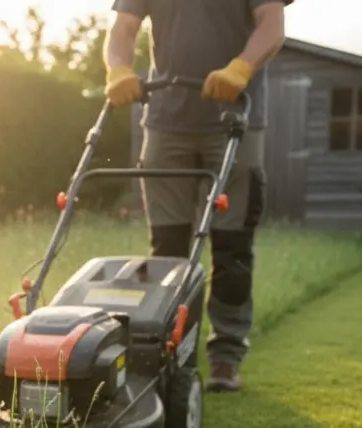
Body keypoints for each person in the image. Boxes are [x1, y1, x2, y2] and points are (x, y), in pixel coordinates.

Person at [102, 0, 289, 393]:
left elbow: (271, 27)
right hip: (166, 120)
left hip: (235, 118)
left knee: (232, 245)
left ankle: (226, 354)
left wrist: (241, 67)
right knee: (167, 251)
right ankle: (167, 352)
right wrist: (117, 69)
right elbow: (123, 29)